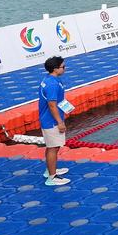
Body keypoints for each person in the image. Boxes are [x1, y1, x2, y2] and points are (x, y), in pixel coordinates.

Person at [39, 56, 72, 186]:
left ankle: (50, 170)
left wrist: (67, 108)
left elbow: (58, 100)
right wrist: (60, 122)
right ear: (55, 69)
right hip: (51, 121)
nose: (65, 69)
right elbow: (52, 105)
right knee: (53, 147)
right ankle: (52, 177)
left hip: (48, 119)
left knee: (52, 146)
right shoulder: (52, 84)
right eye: (63, 67)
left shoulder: (50, 79)